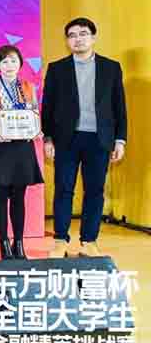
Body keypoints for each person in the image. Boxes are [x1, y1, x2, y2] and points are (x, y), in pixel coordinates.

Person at [42, 17, 127, 258]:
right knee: (63, 189)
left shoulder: (111, 68)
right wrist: (48, 138)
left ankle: (89, 241)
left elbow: (119, 106)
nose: (77, 39)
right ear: (67, 41)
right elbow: (48, 106)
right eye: (72, 35)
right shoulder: (57, 68)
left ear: (93, 37)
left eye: (83, 34)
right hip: (66, 139)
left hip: (99, 139)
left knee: (95, 191)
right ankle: (60, 240)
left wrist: (120, 140)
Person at [0, 45, 43, 260]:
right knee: (0, 195)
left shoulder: (28, 87)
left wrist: (35, 128)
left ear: (20, 64)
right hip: (0, 147)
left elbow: (34, 113)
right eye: (4, 61)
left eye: (13, 60)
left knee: (19, 196)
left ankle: (19, 242)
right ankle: (3, 242)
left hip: (22, 147)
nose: (9, 65)